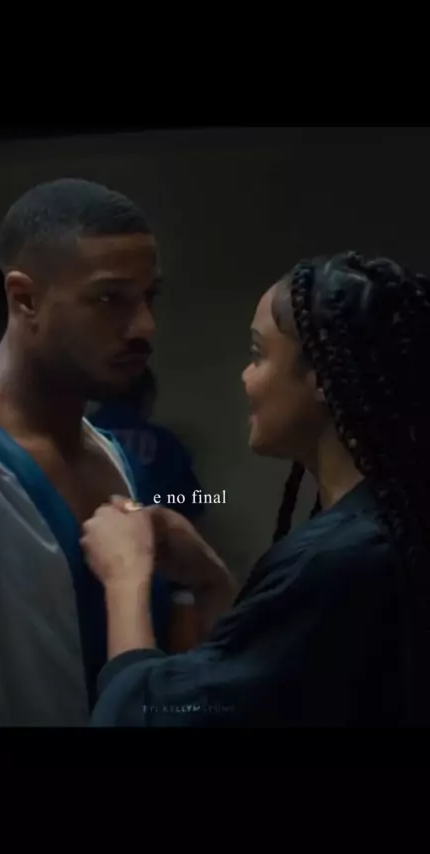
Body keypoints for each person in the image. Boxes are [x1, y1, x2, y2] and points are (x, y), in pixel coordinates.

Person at [81, 251, 430, 727]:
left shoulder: (347, 559)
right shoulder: (393, 522)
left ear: (322, 376)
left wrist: (125, 576)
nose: (246, 378)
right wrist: (212, 582)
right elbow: (274, 675)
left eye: (257, 354)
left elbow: (153, 718)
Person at [0, 178, 205, 727]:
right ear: (26, 299)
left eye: (149, 297)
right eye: (110, 298)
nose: (145, 327)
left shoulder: (113, 456)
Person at [88, 367, 205, 522]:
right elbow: (193, 503)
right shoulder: (164, 442)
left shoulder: (80, 433)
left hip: (90, 530)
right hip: (149, 530)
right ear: (147, 396)